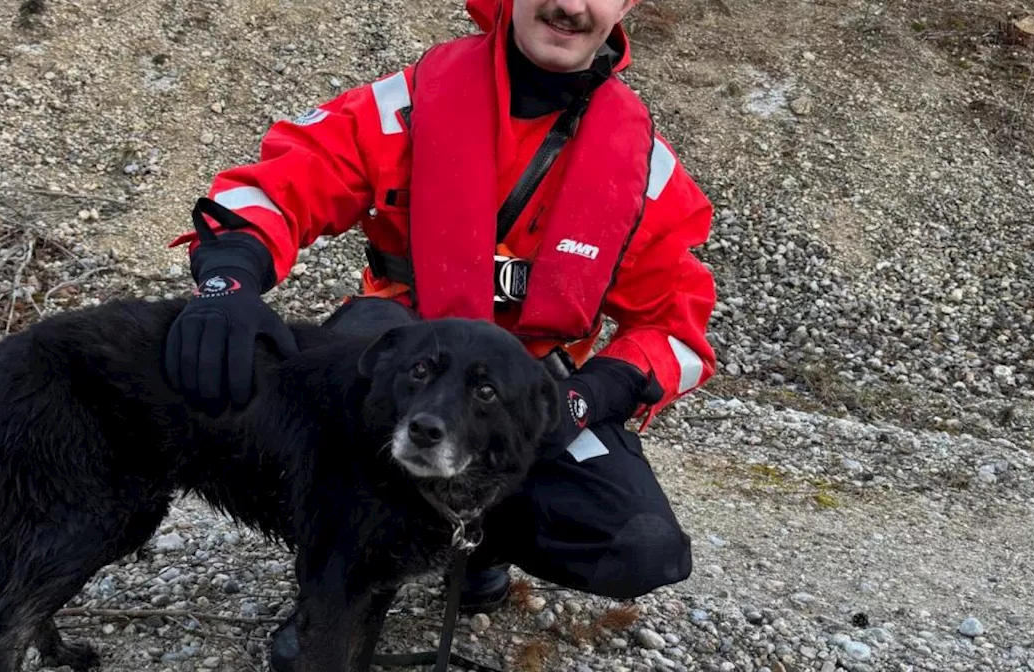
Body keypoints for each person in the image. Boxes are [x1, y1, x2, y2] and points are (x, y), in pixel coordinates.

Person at [163, 0, 717, 664]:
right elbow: (281, 186)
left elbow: (677, 332)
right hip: (404, 368)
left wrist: (590, 396)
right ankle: (339, 585)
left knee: (640, 542)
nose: (570, 5)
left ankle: (478, 540)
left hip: (525, 397)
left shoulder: (645, 171)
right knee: (361, 347)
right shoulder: (409, 106)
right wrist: (229, 277)